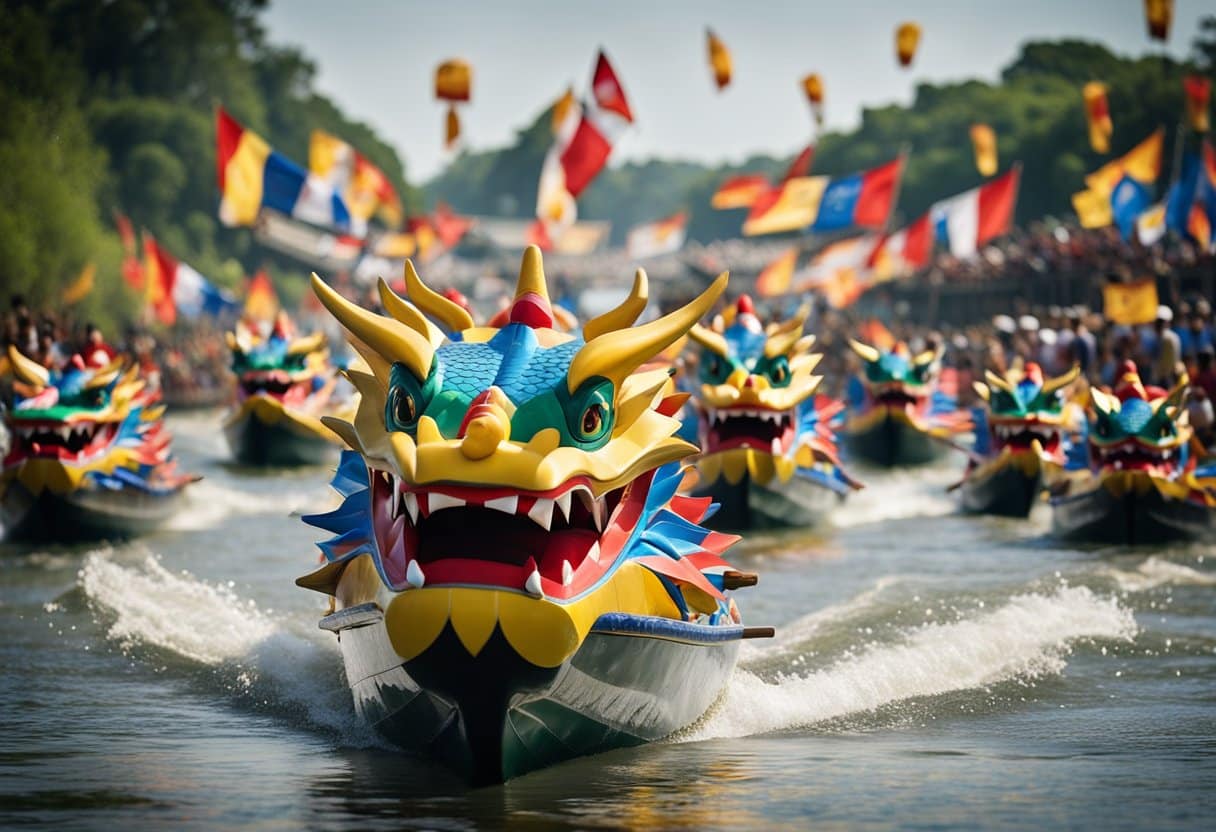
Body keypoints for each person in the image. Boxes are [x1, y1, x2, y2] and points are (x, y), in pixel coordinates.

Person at [1150, 305, 1181, 388]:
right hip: (1163, 377)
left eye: (1160, 322)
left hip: (1166, 378)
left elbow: (1167, 363)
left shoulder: (1168, 338)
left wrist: (1158, 376)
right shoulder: (1159, 337)